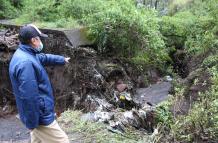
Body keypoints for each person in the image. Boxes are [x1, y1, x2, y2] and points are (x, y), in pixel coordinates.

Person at [9, 24, 70, 143]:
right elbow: (29, 96)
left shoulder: (26, 53)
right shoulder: (25, 63)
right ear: (34, 40)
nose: (41, 41)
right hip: (41, 116)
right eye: (39, 38)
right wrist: (32, 122)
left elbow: (43, 58)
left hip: (36, 114)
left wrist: (61, 60)